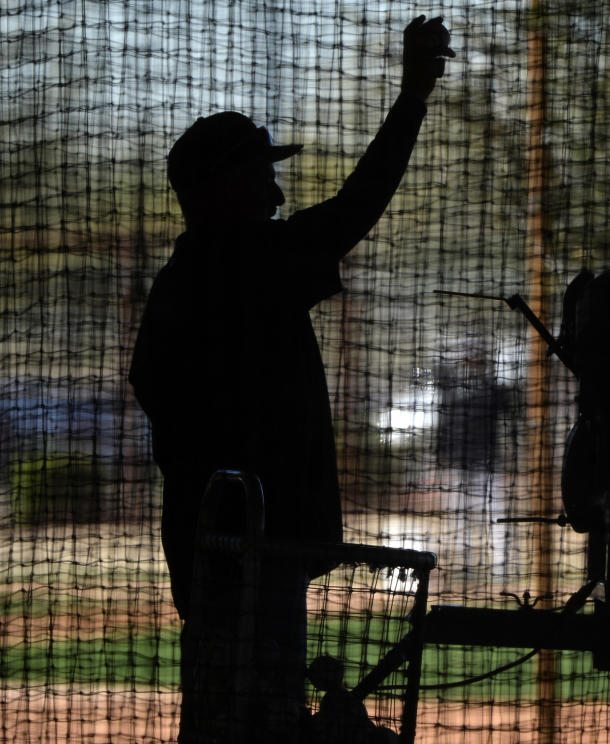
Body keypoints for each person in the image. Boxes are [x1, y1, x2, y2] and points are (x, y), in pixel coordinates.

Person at [128, 16, 454, 744]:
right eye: (259, 176)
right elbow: (355, 208)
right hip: (250, 554)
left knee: (230, 715)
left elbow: (153, 390)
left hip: (217, 551)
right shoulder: (242, 265)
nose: (276, 195)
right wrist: (410, 99)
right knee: (255, 720)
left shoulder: (185, 281)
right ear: (222, 188)